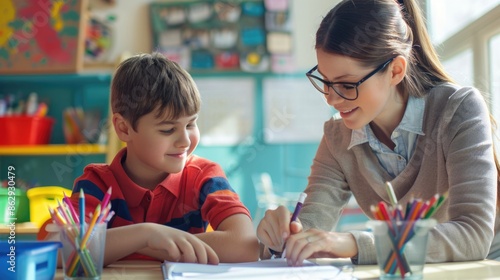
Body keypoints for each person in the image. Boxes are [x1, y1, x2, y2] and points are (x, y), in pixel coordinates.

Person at [257, 0, 500, 266]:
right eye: (325, 81)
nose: (331, 99)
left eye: (347, 85)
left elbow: (473, 236)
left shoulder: (459, 110)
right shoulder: (338, 137)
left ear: (395, 70)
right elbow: (311, 226)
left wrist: (355, 243)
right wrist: (283, 236)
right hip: (410, 268)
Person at [45, 53, 260, 266]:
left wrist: (147, 245)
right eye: (168, 129)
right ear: (124, 128)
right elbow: (56, 250)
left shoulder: (204, 176)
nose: (185, 141)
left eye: (190, 124)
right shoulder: (97, 183)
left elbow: (244, 245)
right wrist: (145, 234)